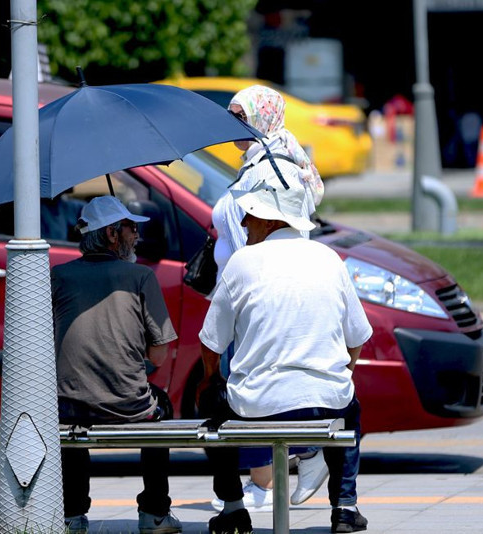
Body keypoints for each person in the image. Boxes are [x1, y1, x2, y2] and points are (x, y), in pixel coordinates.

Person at [198, 160, 373, 533]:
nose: (243, 224)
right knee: (351, 408)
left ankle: (232, 507)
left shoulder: (242, 263)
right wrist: (337, 376)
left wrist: (212, 381)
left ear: (270, 220)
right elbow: (357, 339)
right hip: (325, 401)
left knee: (209, 404)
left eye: (249, 216)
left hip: (256, 405)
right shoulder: (329, 259)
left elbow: (211, 345)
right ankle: (344, 506)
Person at [209, 84, 328, 513]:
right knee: (246, 392)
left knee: (246, 393)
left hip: (254, 295)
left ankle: (301, 459)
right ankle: (274, 477)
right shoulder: (259, 159)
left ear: (263, 117)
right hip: (243, 291)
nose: (233, 124)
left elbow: (264, 230)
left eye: (241, 115)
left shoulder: (269, 166)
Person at [51, 195, 183, 534]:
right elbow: (158, 356)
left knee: (69, 417)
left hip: (69, 406)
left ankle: (72, 515)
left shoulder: (58, 276)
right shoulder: (140, 276)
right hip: (130, 406)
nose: (136, 235)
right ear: (112, 234)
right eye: (130, 228)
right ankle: (154, 514)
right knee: (161, 407)